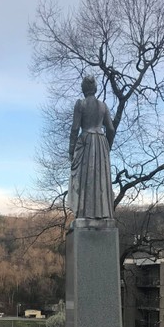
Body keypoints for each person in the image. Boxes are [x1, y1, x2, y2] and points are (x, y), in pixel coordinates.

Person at [67, 75, 115, 219]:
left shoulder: (80, 104)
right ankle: (103, 213)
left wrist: (71, 150)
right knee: (101, 179)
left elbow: (75, 129)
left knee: (86, 178)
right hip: (101, 142)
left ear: (83, 89)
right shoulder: (103, 105)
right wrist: (108, 146)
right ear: (95, 88)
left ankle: (84, 213)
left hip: (86, 141)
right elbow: (111, 130)